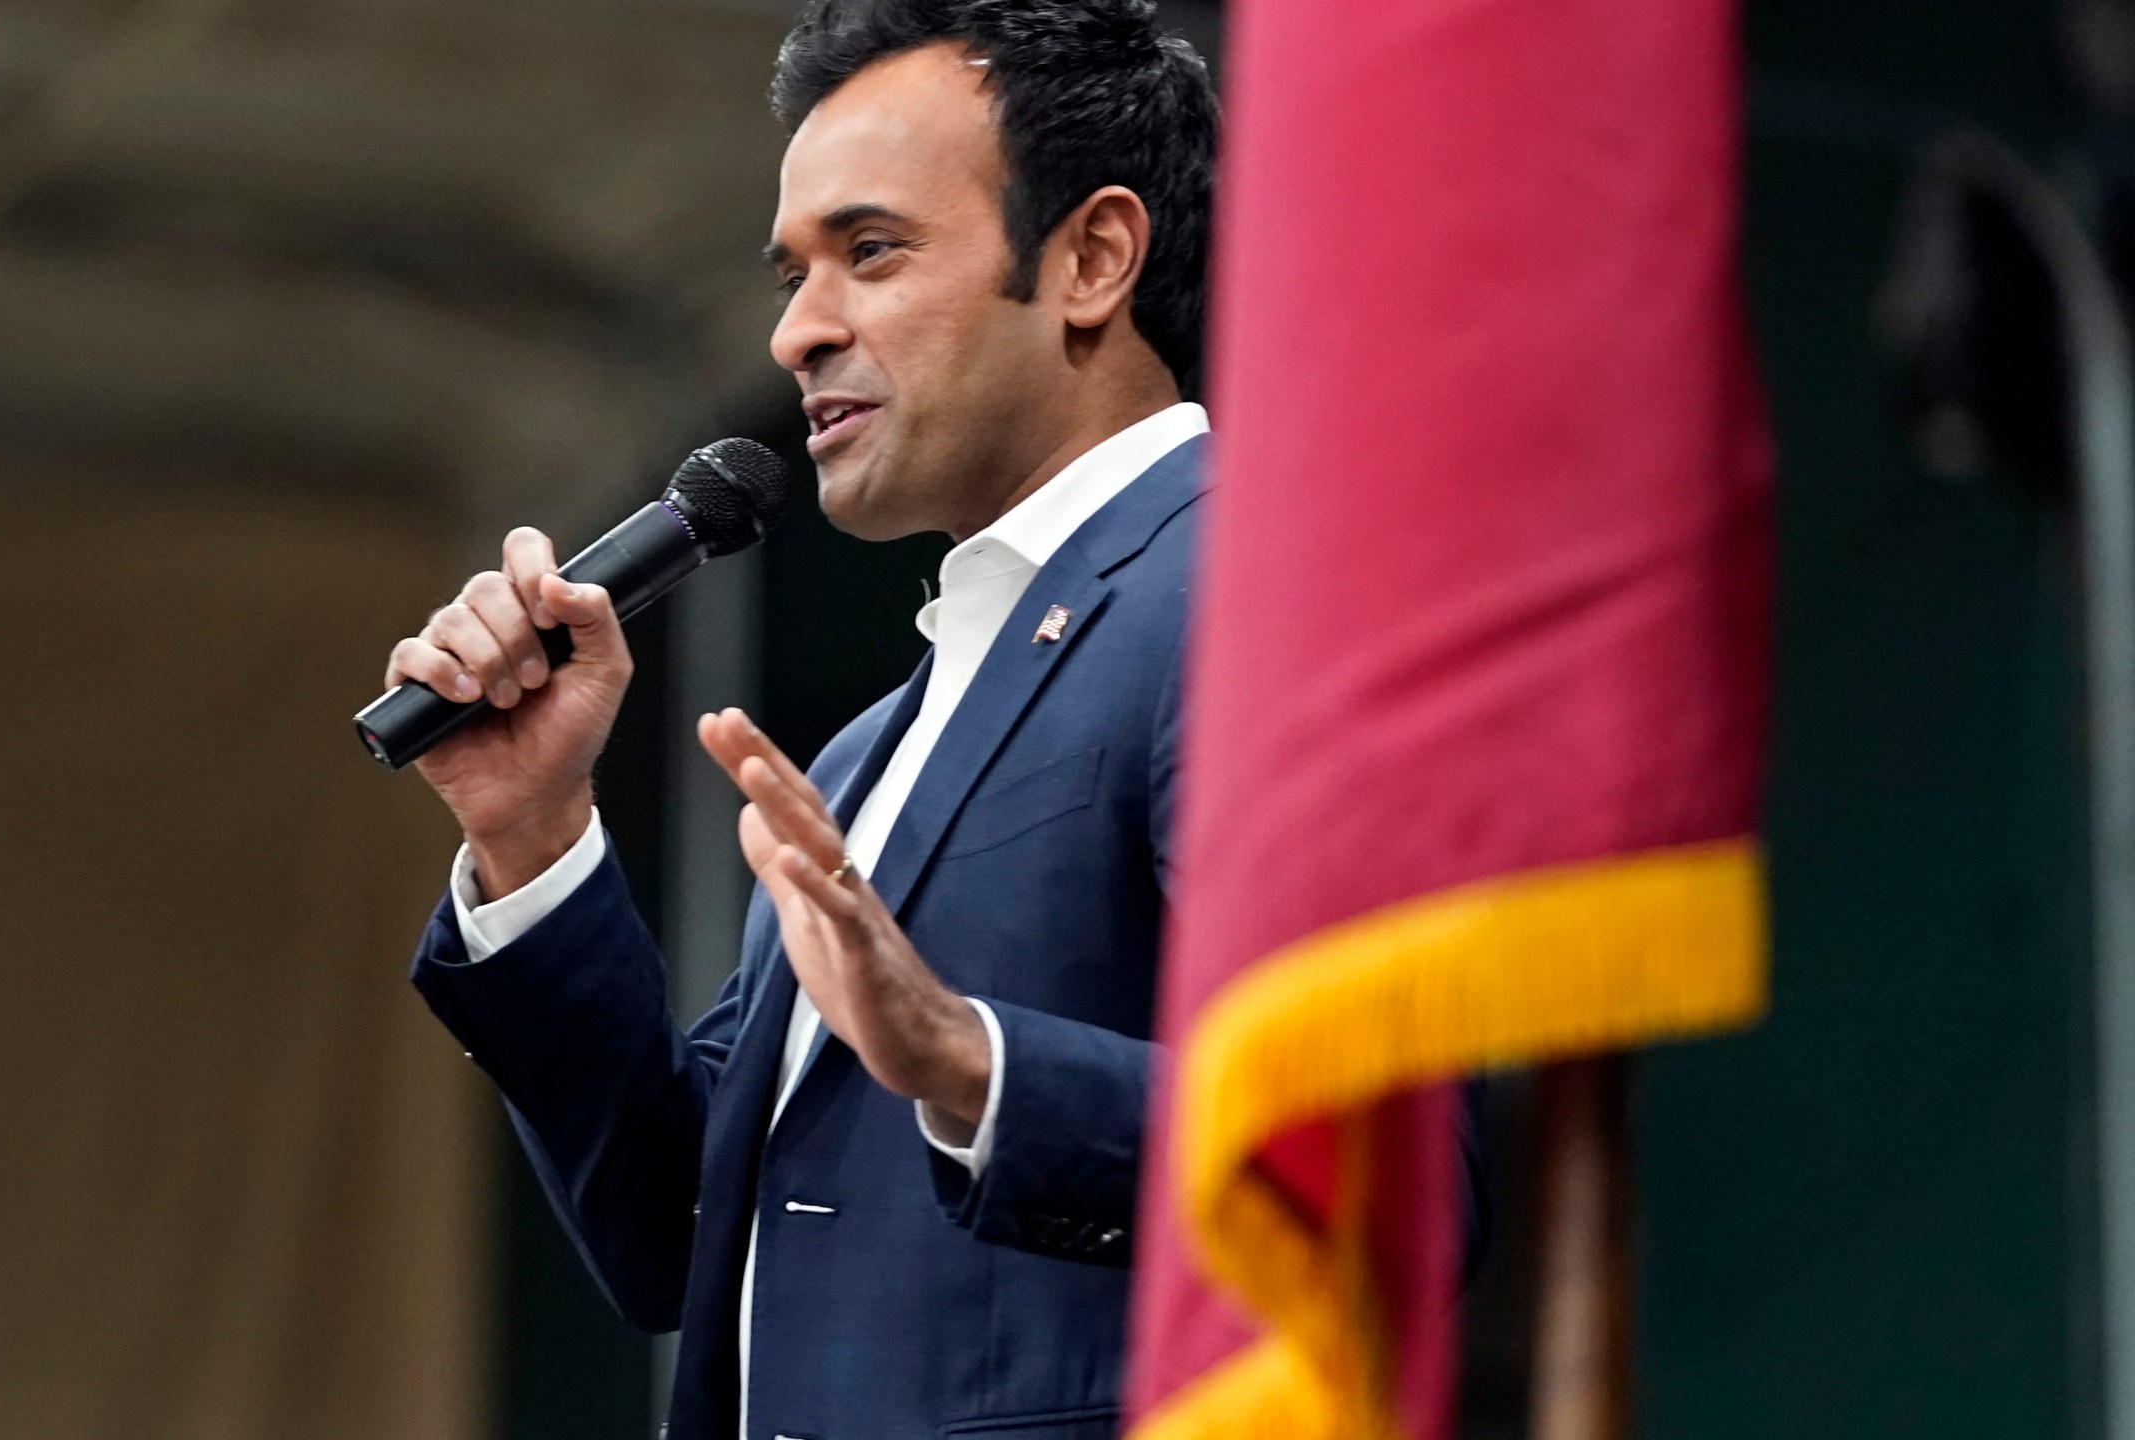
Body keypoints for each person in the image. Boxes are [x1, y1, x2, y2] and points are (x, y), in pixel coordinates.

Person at [385, 4, 1471, 1436]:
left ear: (1091, 259)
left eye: (870, 252)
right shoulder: (869, 749)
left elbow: (1394, 1177)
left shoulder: (1253, 597)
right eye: (791, 274)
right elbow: (677, 1230)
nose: (795, 330)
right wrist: (530, 835)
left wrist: (973, 1062)